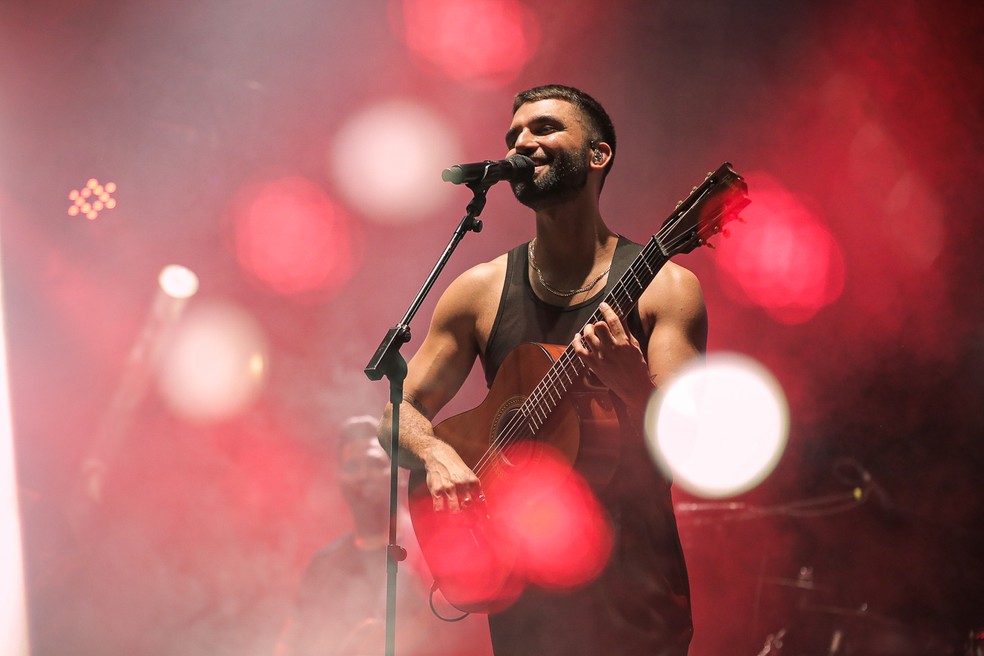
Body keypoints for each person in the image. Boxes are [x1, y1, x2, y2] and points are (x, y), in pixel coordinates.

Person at [379, 84, 706, 655]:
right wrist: (437, 455)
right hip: (525, 604)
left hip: (635, 598)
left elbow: (694, 448)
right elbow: (395, 414)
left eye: (546, 128)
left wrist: (635, 385)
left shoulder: (668, 287)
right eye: (514, 136)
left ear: (598, 155)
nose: (524, 142)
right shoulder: (478, 291)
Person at [277, 416, 484, 656]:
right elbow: (291, 643)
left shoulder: (430, 547)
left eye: (375, 463)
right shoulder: (323, 565)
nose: (363, 475)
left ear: (400, 475)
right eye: (352, 466)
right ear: (339, 478)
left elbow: (463, 627)